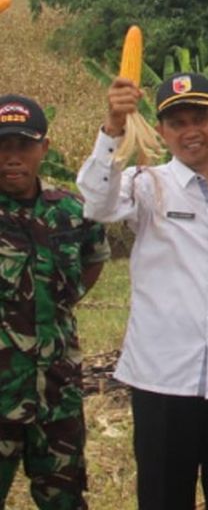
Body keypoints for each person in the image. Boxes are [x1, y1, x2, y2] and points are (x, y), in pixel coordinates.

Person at [77, 72, 208, 510]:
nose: (190, 131)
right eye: (177, 123)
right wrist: (113, 128)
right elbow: (97, 204)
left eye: (200, 119)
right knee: (162, 497)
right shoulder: (146, 184)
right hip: (163, 376)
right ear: (161, 131)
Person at [0, 95, 108, 510]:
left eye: (23, 145)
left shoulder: (71, 210)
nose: (12, 157)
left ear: (43, 148)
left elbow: (94, 259)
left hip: (56, 391)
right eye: (3, 146)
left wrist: (63, 301)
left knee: (64, 500)